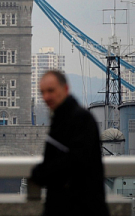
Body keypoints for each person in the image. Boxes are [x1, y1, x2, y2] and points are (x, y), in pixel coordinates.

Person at [30, 70, 109, 216]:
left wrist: (39, 173)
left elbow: (72, 163)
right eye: (43, 92)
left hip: (80, 209)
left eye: (51, 91)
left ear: (65, 89)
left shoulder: (80, 119)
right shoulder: (62, 118)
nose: (46, 97)